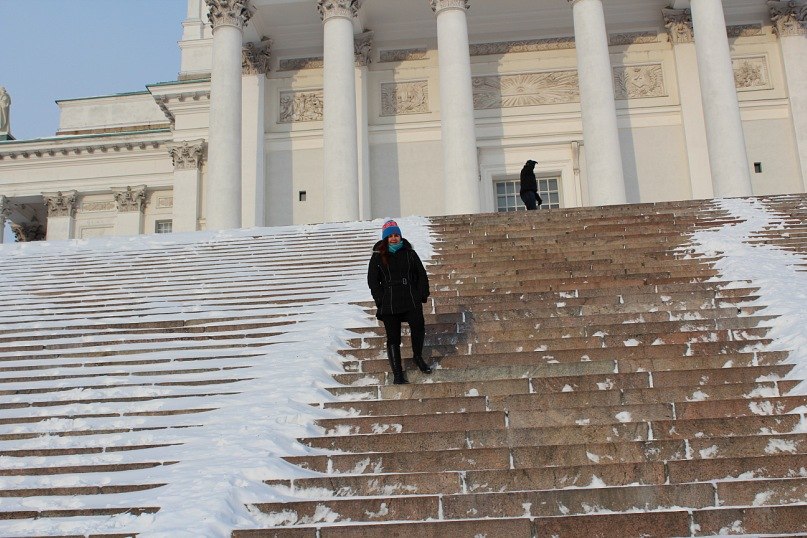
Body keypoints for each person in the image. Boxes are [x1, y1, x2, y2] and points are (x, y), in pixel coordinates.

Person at [367, 220, 432, 384]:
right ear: (385, 238)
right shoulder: (377, 256)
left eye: (396, 235)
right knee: (393, 338)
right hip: (389, 301)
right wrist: (380, 299)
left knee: (418, 326)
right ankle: (397, 373)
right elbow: (373, 281)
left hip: (410, 297)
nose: (394, 238)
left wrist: (421, 294)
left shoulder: (410, 253)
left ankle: (418, 357)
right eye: (390, 236)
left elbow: (421, 274)